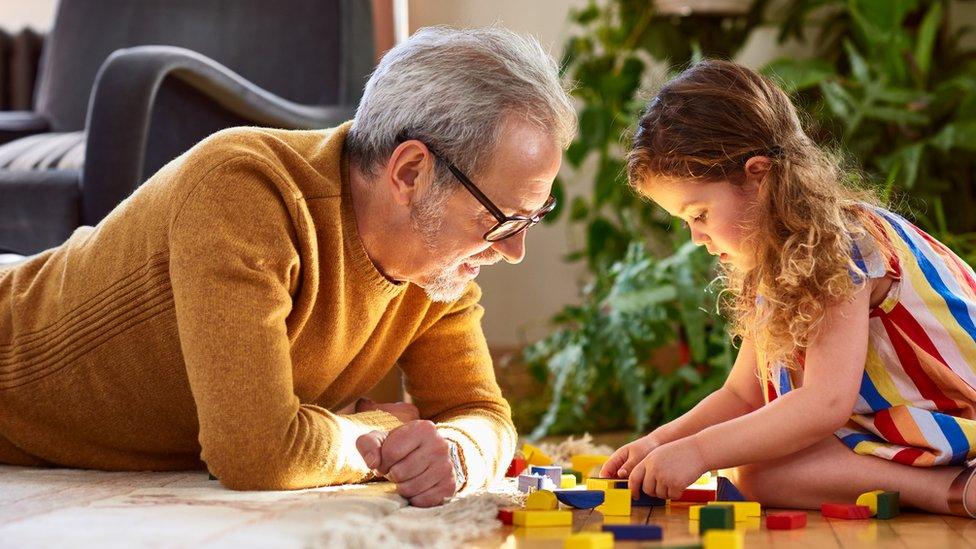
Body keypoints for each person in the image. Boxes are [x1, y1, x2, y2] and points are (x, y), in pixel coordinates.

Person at [0, 26, 576, 508]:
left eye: (531, 218)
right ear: (409, 173)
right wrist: (380, 430)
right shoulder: (244, 191)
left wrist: (456, 450)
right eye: (502, 218)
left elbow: (482, 414)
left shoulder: (437, 269)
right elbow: (256, 453)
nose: (512, 250)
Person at [603, 59, 976, 517]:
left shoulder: (841, 244)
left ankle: (952, 490)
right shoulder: (777, 258)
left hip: (959, 414)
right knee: (758, 473)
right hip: (907, 427)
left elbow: (825, 403)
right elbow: (744, 394)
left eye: (698, 214)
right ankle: (937, 483)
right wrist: (661, 440)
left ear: (759, 178)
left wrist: (699, 453)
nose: (696, 237)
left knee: (756, 468)